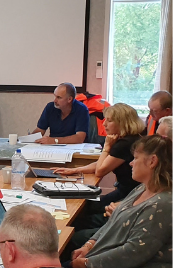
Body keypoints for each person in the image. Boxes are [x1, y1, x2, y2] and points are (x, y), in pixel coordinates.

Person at [67, 135, 172, 268]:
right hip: (114, 267)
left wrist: (87, 264)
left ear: (152, 161)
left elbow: (133, 253)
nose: (131, 163)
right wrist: (90, 244)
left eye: (136, 158)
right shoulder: (143, 188)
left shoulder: (163, 204)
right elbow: (113, 222)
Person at [54, 103, 144, 242]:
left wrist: (107, 147)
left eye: (109, 120)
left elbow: (100, 171)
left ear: (122, 122)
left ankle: (70, 241)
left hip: (128, 195)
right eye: (105, 119)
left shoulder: (124, 144)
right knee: (87, 206)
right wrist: (75, 170)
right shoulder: (132, 138)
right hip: (128, 191)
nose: (104, 124)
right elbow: (104, 163)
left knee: (81, 214)